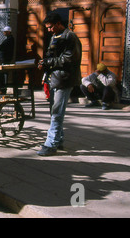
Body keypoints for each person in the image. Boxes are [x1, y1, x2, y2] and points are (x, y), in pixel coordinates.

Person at [37, 13, 82, 156]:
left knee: (57, 112)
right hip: (55, 78)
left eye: (50, 27)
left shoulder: (69, 37)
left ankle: (51, 144)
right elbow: (53, 56)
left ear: (57, 24)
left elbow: (69, 58)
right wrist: (44, 63)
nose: (49, 30)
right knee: (54, 112)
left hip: (64, 79)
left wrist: (49, 62)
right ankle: (58, 139)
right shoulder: (54, 37)